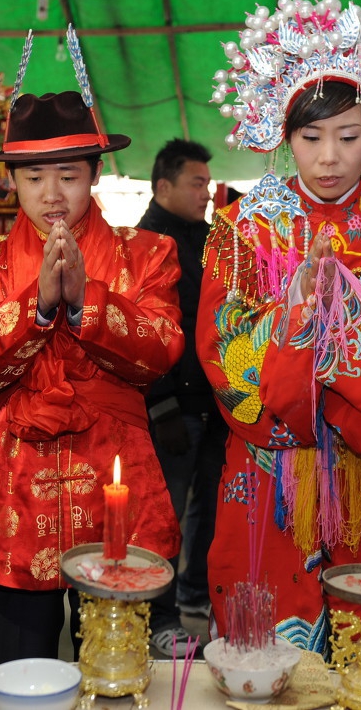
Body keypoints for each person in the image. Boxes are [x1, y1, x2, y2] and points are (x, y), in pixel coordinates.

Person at [199, 0, 361, 655]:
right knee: (267, 651)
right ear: (284, 139)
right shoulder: (243, 226)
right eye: (310, 138)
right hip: (267, 468)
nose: (329, 157)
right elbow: (221, 346)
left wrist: (354, 331)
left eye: (349, 138)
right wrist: (292, 324)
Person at [0, 81, 184, 663]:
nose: (52, 193)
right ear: (12, 180)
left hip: (116, 481)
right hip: (14, 494)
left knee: (114, 669)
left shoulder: (149, 253)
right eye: (33, 177)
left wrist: (85, 301)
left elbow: (162, 349)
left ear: (95, 173)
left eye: (68, 175)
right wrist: (37, 306)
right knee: (25, 673)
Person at [134, 138, 226, 657]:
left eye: (209, 185)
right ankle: (160, 615)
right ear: (163, 185)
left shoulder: (210, 239)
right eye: (197, 184)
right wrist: (161, 404)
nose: (207, 193)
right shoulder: (144, 242)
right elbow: (144, 332)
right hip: (170, 407)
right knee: (163, 514)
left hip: (214, 404)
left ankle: (196, 595)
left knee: (208, 510)